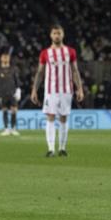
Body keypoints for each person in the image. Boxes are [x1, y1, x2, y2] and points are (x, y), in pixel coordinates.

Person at [31, 24, 84, 157]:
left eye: (59, 33)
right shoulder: (45, 53)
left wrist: (80, 89)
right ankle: (50, 149)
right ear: (51, 35)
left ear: (63, 34)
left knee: (64, 118)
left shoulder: (70, 51)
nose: (57, 35)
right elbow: (40, 72)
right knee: (50, 116)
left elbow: (75, 70)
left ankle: (62, 148)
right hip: (51, 91)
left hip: (66, 90)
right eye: (54, 33)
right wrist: (34, 90)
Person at [0, 51, 21, 136]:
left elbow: (16, 80)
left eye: (7, 57)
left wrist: (18, 89)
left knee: (14, 110)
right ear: (1, 58)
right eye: (4, 57)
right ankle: (6, 128)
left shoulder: (13, 69)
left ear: (9, 58)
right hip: (2, 93)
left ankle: (13, 128)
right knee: (4, 110)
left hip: (12, 93)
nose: (5, 58)